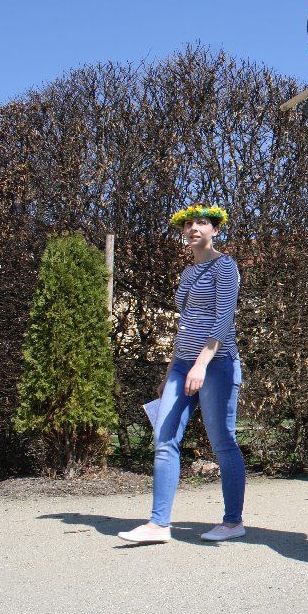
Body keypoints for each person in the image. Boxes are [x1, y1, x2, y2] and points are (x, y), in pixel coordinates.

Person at [118, 204, 245, 544]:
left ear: (215, 230)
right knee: (165, 438)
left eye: (202, 222)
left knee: (223, 443)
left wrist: (202, 363)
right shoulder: (188, 273)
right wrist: (173, 368)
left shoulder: (226, 266)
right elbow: (186, 323)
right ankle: (159, 525)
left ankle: (233, 522)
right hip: (183, 364)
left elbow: (223, 319)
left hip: (217, 362)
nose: (194, 228)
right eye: (188, 223)